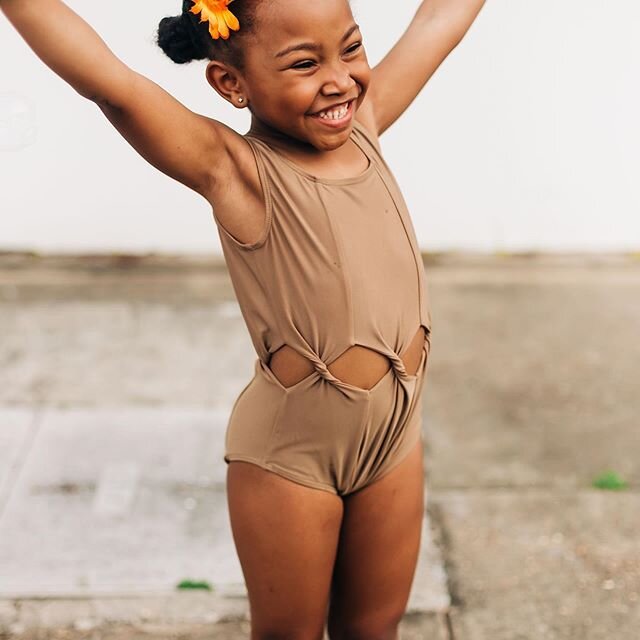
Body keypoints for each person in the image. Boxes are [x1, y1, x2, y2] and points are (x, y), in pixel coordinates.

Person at [1, 0, 486, 637]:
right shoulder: (235, 169)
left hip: (394, 438)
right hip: (293, 458)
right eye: (305, 63)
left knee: (376, 627)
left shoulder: (363, 124)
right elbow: (108, 83)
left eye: (352, 48)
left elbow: (436, 23)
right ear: (232, 83)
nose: (339, 78)